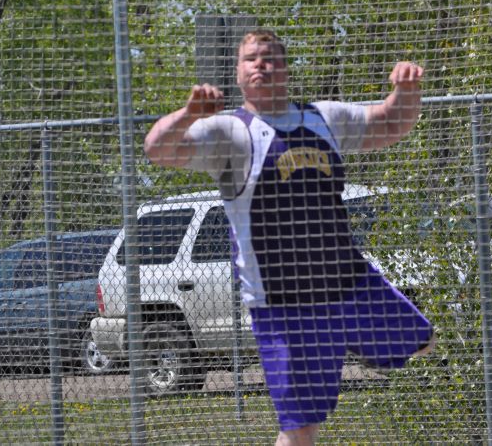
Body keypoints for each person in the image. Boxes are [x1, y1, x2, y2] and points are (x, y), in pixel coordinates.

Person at [145, 29, 435, 446]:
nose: (261, 64)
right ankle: (332, 344)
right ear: (238, 73)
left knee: (423, 341)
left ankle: (344, 341)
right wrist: (189, 114)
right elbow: (157, 148)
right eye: (251, 59)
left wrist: (407, 90)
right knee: (300, 430)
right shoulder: (232, 132)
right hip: (284, 303)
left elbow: (391, 123)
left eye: (270, 58)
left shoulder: (323, 118)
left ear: (286, 69)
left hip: (350, 285)